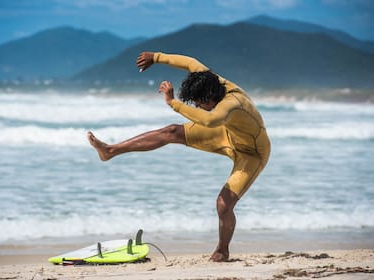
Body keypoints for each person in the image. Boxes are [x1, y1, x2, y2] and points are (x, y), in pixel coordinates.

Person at [87, 51, 271, 262]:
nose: (195, 107)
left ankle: (222, 250)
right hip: (227, 134)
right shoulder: (211, 80)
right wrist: (155, 57)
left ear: (209, 99)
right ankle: (110, 151)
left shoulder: (232, 103)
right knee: (172, 132)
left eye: (197, 104)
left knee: (223, 205)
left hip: (252, 153)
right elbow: (190, 62)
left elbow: (210, 121)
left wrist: (173, 103)